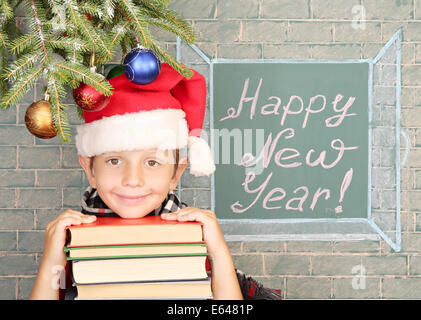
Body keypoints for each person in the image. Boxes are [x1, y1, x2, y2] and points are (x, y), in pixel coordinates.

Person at [29, 63, 281, 300]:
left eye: (152, 162)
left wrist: (218, 252)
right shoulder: (73, 239)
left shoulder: (192, 237)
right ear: (90, 170)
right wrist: (51, 258)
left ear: (176, 174)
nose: (133, 180)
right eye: (114, 161)